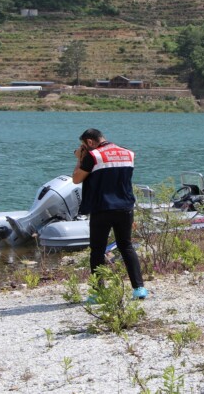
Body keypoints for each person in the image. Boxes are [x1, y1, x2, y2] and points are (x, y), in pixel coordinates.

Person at [72, 128, 147, 300]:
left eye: (84, 145)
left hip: (102, 208)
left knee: (97, 250)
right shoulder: (128, 153)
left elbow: (76, 178)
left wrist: (79, 159)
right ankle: (139, 288)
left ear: (90, 142)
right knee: (126, 246)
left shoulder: (93, 156)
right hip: (125, 207)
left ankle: (99, 294)